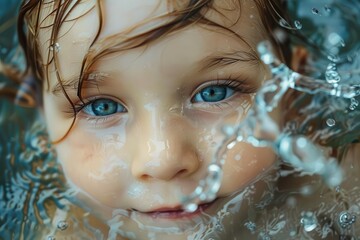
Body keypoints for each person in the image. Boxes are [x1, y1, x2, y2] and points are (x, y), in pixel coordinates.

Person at [2, 0, 357, 239]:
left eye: (214, 92)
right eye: (101, 107)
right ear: (42, 118)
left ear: (291, 88)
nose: (163, 159)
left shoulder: (338, 185)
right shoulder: (73, 230)